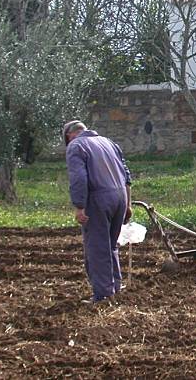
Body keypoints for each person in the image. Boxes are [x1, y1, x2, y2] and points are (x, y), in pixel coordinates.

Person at [63, 120, 132, 303]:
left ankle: (103, 295)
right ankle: (115, 287)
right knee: (111, 245)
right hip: (120, 197)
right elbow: (126, 175)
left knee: (96, 248)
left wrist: (79, 206)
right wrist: (128, 204)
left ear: (69, 136)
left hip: (98, 199)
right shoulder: (109, 143)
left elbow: (79, 178)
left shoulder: (76, 146)